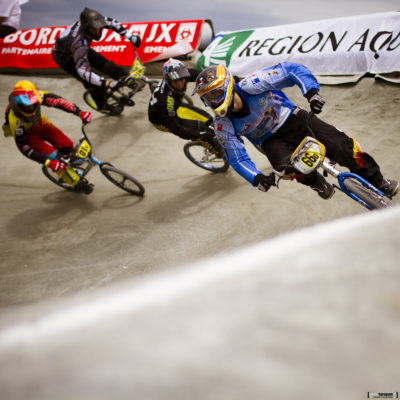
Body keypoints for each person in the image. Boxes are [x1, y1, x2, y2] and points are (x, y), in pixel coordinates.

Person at [191, 63, 399, 199]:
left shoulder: (252, 84)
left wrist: (311, 93)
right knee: (287, 168)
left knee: (343, 147)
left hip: (293, 118)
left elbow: (291, 70)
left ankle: (380, 182)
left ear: (227, 85)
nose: (212, 101)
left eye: (215, 93)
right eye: (206, 98)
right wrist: (255, 177)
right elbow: (237, 158)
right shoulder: (222, 125)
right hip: (270, 141)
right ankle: (315, 182)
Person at [2, 80, 93, 189]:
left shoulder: (37, 96)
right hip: (29, 136)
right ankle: (76, 183)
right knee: (56, 159)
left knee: (66, 145)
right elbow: (25, 149)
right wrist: (48, 162)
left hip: (40, 123)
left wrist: (79, 112)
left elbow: (59, 102)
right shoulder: (15, 121)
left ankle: (69, 162)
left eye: (33, 103)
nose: (32, 106)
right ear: (18, 104)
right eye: (28, 105)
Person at [52, 8, 141, 113]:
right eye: (93, 29)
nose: (97, 31)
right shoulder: (80, 43)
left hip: (74, 48)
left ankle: (126, 79)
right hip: (66, 59)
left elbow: (112, 23)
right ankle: (103, 106)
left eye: (98, 28)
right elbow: (83, 71)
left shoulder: (93, 21)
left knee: (106, 64)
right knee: (94, 84)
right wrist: (106, 83)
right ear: (86, 27)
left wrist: (130, 37)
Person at [148, 58, 217, 152]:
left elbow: (203, 75)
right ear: (168, 79)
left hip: (176, 107)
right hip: (162, 120)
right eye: (176, 81)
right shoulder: (164, 100)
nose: (181, 84)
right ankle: (217, 152)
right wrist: (196, 135)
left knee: (209, 119)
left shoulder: (183, 74)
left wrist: (231, 78)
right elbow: (175, 128)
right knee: (202, 132)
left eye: (182, 79)